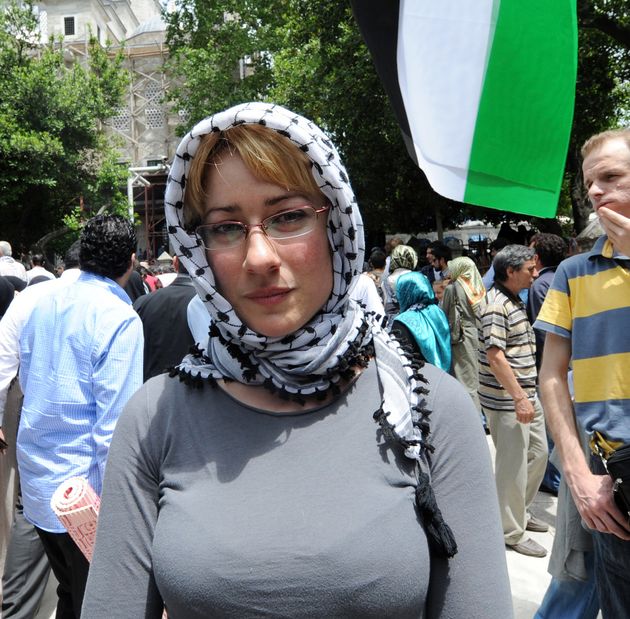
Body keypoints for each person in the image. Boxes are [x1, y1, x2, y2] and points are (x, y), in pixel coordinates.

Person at [82, 102, 512, 618]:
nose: (259, 257)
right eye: (226, 227)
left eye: (287, 217)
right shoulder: (154, 417)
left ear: (338, 229)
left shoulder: (428, 408)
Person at [16, 216, 144, 618]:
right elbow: (116, 428)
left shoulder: (43, 302)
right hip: (86, 497)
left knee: (71, 594)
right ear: (132, 261)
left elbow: (27, 381)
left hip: (40, 484)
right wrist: (126, 510)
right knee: (101, 604)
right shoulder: (118, 318)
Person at [536, 127, 630, 617]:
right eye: (590, 183)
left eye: (611, 177)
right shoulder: (574, 273)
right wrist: (575, 473)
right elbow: (551, 376)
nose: (595, 192)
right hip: (614, 486)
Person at [0, 241, 81, 619]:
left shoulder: (32, 296)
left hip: (27, 402)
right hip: (71, 414)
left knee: (27, 507)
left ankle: (17, 607)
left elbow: (3, 362)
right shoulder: (106, 301)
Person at [478, 245, 548, 557]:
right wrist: (520, 398)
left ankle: (519, 512)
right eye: (529, 269)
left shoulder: (514, 300)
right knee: (513, 465)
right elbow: (495, 356)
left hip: (526, 396)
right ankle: (510, 531)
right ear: (510, 271)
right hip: (509, 401)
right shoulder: (496, 305)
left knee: (538, 454)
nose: (535, 274)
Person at [527, 233, 568, 497]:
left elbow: (544, 333)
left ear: (538, 257)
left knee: (553, 427)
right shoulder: (566, 277)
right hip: (574, 363)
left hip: (551, 366)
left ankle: (554, 481)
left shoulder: (540, 285)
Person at [133, 257, 197, 382]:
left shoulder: (143, 302)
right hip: (198, 390)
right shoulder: (214, 307)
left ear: (175, 263)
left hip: (150, 390)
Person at [441, 256, 486, 413]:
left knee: (465, 377)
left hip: (462, 338)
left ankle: (472, 416)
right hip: (480, 335)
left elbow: (442, 314)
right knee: (479, 375)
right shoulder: (479, 287)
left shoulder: (452, 289)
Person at [391, 272, 451, 371]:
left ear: (407, 292)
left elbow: (401, 359)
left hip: (418, 377)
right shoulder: (437, 312)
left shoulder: (402, 321)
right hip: (442, 377)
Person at [382, 243, 417, 320]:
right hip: (415, 322)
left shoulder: (387, 281)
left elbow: (387, 306)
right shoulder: (420, 278)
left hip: (394, 322)